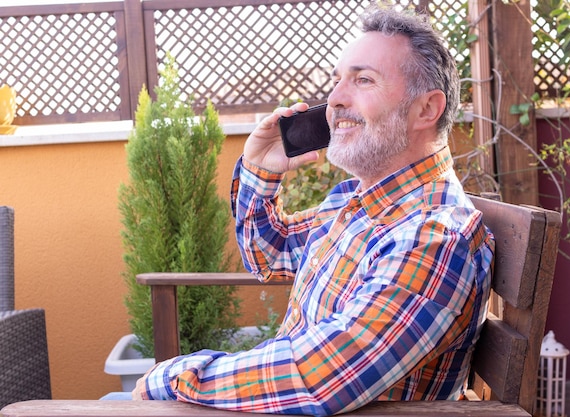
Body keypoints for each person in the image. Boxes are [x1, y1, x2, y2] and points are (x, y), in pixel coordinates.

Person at [132, 4, 495, 416]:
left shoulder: (434, 236)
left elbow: (318, 378)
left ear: (426, 110)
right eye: (337, 81)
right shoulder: (356, 201)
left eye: (363, 80)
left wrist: (173, 377)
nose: (335, 99)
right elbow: (270, 255)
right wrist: (261, 171)